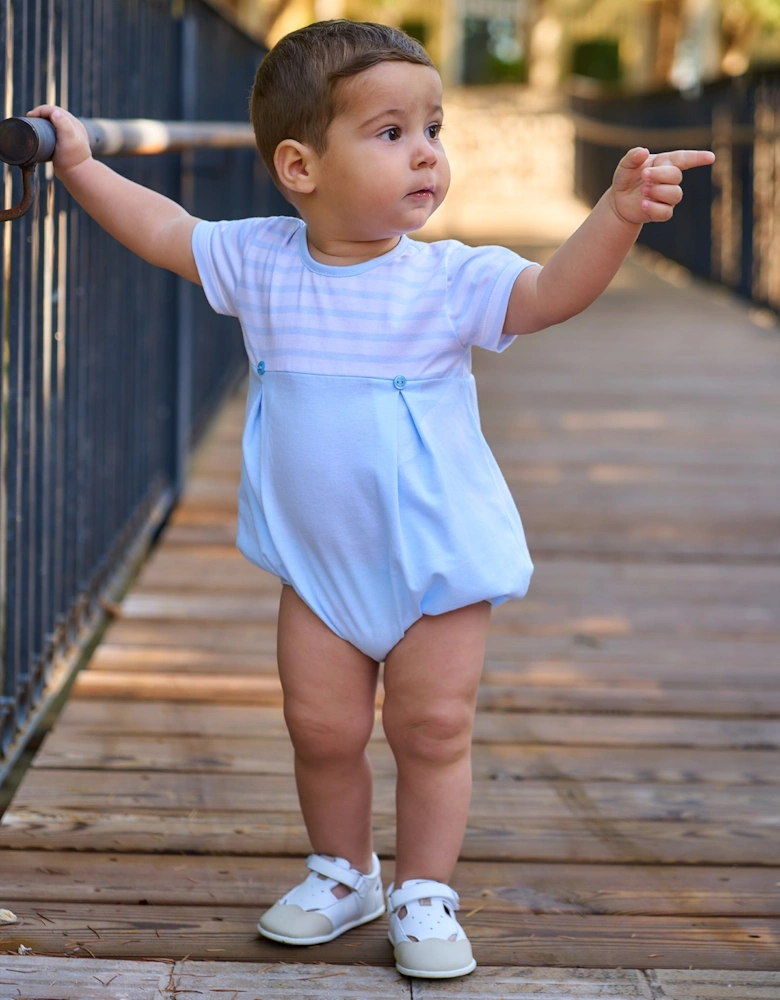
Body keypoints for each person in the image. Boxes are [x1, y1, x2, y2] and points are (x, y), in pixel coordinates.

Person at [28, 18, 714, 980]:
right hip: (319, 567)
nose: (427, 152)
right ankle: (343, 872)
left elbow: (551, 292)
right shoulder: (264, 262)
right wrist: (78, 162)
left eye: (434, 128)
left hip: (433, 561)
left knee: (431, 728)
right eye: (390, 133)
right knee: (322, 729)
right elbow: (162, 229)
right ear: (300, 167)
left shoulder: (446, 278)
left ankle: (425, 890)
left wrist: (617, 214)